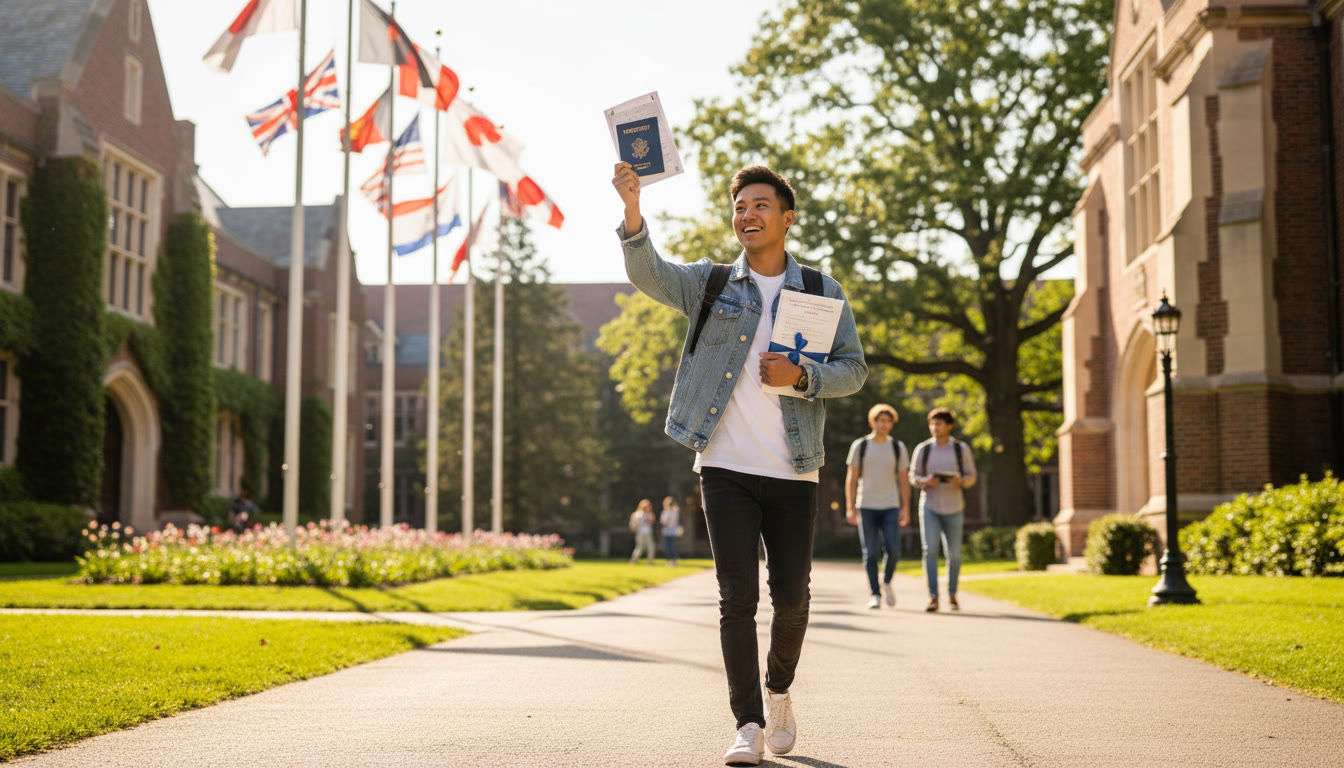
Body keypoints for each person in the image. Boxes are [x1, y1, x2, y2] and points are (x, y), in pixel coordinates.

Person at [613, 161, 867, 766]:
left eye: (759, 205)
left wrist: (803, 376)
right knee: (736, 599)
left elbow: (854, 371)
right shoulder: (712, 283)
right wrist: (631, 209)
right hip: (723, 464)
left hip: (793, 467)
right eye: (739, 206)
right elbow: (649, 273)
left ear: (787, 217)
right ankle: (747, 722)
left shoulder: (822, 292)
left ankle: (779, 692)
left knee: (793, 598)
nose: (746, 215)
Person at [909, 408, 977, 612]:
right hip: (929, 506)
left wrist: (961, 481)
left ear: (949, 426)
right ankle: (933, 596)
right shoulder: (923, 449)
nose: (935, 428)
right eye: (932, 424)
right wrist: (926, 481)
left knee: (954, 554)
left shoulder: (960, 449)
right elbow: (913, 477)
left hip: (954, 507)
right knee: (929, 551)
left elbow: (971, 475)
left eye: (939, 424)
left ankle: (953, 594)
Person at [844, 404, 911, 609]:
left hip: (891, 505)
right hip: (866, 505)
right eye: (880, 420)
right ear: (872, 422)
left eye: (888, 421)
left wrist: (906, 507)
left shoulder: (897, 447)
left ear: (892, 424)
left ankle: (887, 581)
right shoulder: (860, 446)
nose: (884, 424)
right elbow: (851, 478)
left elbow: (904, 480)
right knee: (870, 553)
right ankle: (875, 594)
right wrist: (850, 506)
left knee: (893, 549)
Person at [629, 499, 656, 565]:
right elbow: (633, 524)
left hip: (648, 532)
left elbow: (652, 523)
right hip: (640, 533)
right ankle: (633, 560)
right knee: (640, 547)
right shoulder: (637, 514)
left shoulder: (650, 514)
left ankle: (650, 561)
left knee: (651, 547)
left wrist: (648, 519)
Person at [660, 496, 682, 566]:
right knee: (672, 546)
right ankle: (674, 560)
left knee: (668, 547)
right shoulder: (676, 512)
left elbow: (663, 521)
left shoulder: (667, 512)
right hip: (673, 531)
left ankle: (670, 560)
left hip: (668, 531)